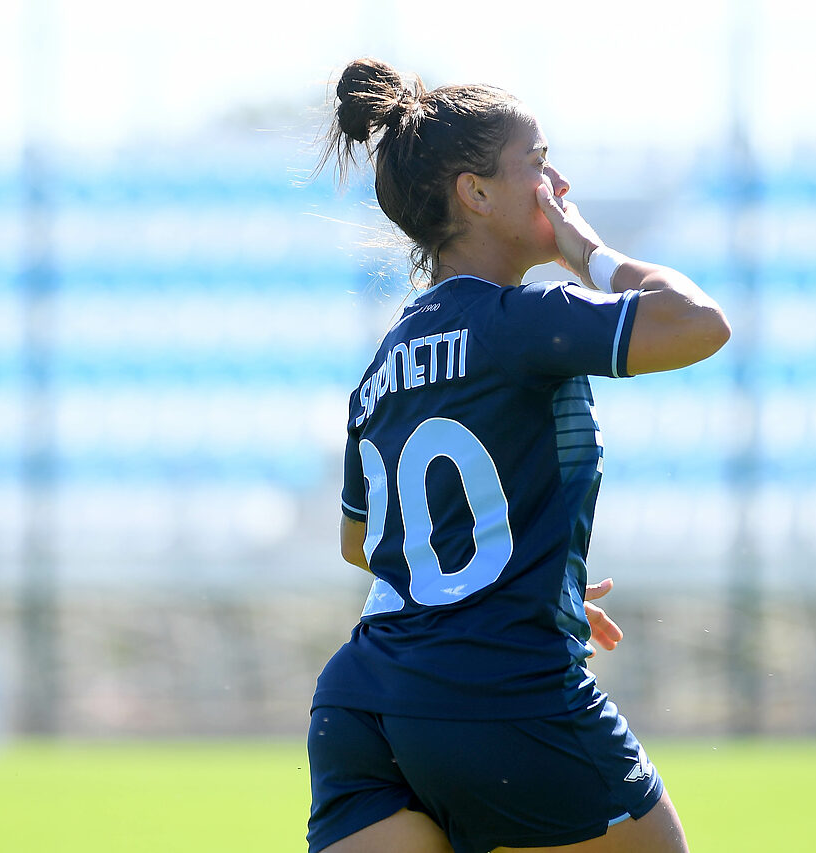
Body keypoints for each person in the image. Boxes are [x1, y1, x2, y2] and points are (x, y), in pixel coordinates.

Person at [306, 57, 730, 853]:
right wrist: (590, 252)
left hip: (360, 706)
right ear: (475, 193)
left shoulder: (380, 367)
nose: (556, 183)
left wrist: (509, 570)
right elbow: (699, 323)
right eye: (535, 164)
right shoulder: (520, 321)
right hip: (499, 693)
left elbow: (359, 542)